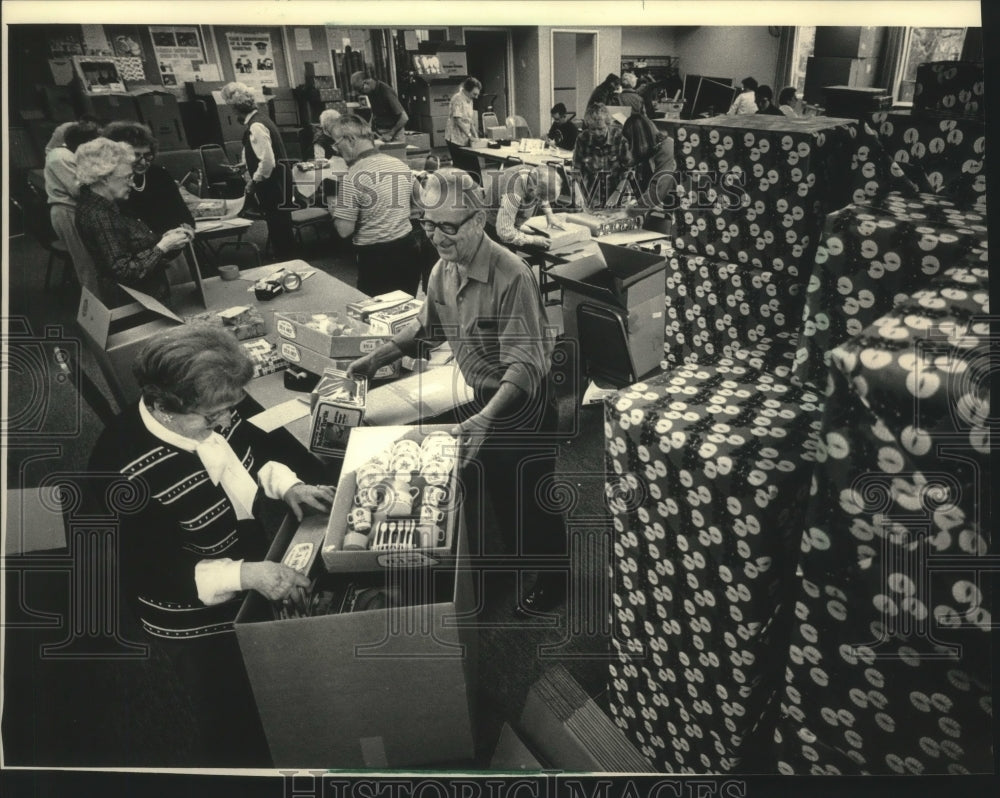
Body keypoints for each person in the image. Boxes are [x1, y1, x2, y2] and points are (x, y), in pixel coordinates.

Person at [88, 324, 335, 765]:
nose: (225, 421)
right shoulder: (121, 473)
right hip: (186, 614)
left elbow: (252, 450)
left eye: (229, 409)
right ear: (165, 406)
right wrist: (249, 574)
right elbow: (152, 573)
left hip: (238, 562)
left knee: (263, 676)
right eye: (214, 416)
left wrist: (289, 485)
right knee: (225, 706)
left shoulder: (209, 406)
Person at [347, 169, 566, 616]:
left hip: (522, 403)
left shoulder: (512, 276)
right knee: (498, 489)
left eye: (447, 226)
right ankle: (516, 559)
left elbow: (525, 366)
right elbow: (426, 329)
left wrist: (487, 419)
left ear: (478, 219)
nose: (436, 237)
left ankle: (554, 577)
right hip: (486, 399)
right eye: (427, 225)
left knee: (531, 494)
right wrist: (379, 357)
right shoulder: (443, 269)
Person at [75, 137, 193, 308]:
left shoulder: (101, 203)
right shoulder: (100, 214)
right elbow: (123, 271)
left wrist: (161, 239)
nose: (132, 182)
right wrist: (163, 246)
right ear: (104, 178)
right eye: (127, 177)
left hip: (141, 298)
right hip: (136, 303)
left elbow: (127, 244)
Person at [327, 114, 422, 296]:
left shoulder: (353, 176)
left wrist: (334, 206)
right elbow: (423, 202)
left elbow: (344, 230)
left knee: (376, 317)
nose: (337, 151)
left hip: (376, 259)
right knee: (407, 311)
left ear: (351, 139)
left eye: (336, 144)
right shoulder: (399, 164)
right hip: (408, 251)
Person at [220, 81, 295, 260]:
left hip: (273, 186)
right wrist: (246, 165)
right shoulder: (261, 119)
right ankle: (289, 261)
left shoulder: (256, 125)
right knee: (281, 228)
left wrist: (253, 181)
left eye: (230, 107)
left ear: (236, 107)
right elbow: (262, 153)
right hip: (279, 183)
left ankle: (288, 263)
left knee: (280, 229)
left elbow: (268, 162)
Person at [102, 121, 195, 236]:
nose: (143, 162)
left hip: (174, 244)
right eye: (136, 155)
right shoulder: (113, 183)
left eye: (148, 155)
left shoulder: (160, 174)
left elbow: (182, 213)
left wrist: (187, 226)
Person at [44, 120, 100, 292]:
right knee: (86, 263)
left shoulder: (69, 155)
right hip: (67, 211)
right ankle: (96, 310)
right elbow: (79, 190)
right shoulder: (60, 157)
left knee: (92, 261)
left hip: (74, 210)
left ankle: (103, 306)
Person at [489, 164, 565, 250]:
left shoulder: (536, 173)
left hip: (511, 219)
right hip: (493, 226)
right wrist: (533, 240)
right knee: (513, 261)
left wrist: (549, 214)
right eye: (539, 199)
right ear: (531, 189)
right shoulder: (512, 196)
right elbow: (504, 233)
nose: (540, 202)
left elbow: (544, 192)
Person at [572, 103, 632, 210]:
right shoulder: (582, 139)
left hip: (618, 192)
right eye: (592, 129)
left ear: (608, 124)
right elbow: (576, 170)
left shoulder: (619, 139)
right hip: (593, 194)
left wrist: (618, 193)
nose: (597, 133)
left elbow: (628, 171)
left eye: (600, 129)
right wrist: (578, 193)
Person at [350, 72, 409, 143]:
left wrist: (390, 134)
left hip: (394, 134)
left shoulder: (386, 92)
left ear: (366, 82)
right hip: (381, 133)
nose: (361, 93)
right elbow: (375, 112)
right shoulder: (371, 91)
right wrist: (369, 126)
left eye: (360, 90)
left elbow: (404, 118)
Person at [445, 77, 484, 182]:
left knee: (475, 169)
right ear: (467, 91)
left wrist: (476, 137)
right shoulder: (457, 99)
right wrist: (470, 136)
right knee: (462, 170)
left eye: (477, 94)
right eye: (474, 94)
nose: (476, 97)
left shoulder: (469, 100)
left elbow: (470, 121)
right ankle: (464, 195)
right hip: (455, 139)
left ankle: (479, 193)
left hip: (465, 138)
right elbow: (458, 121)